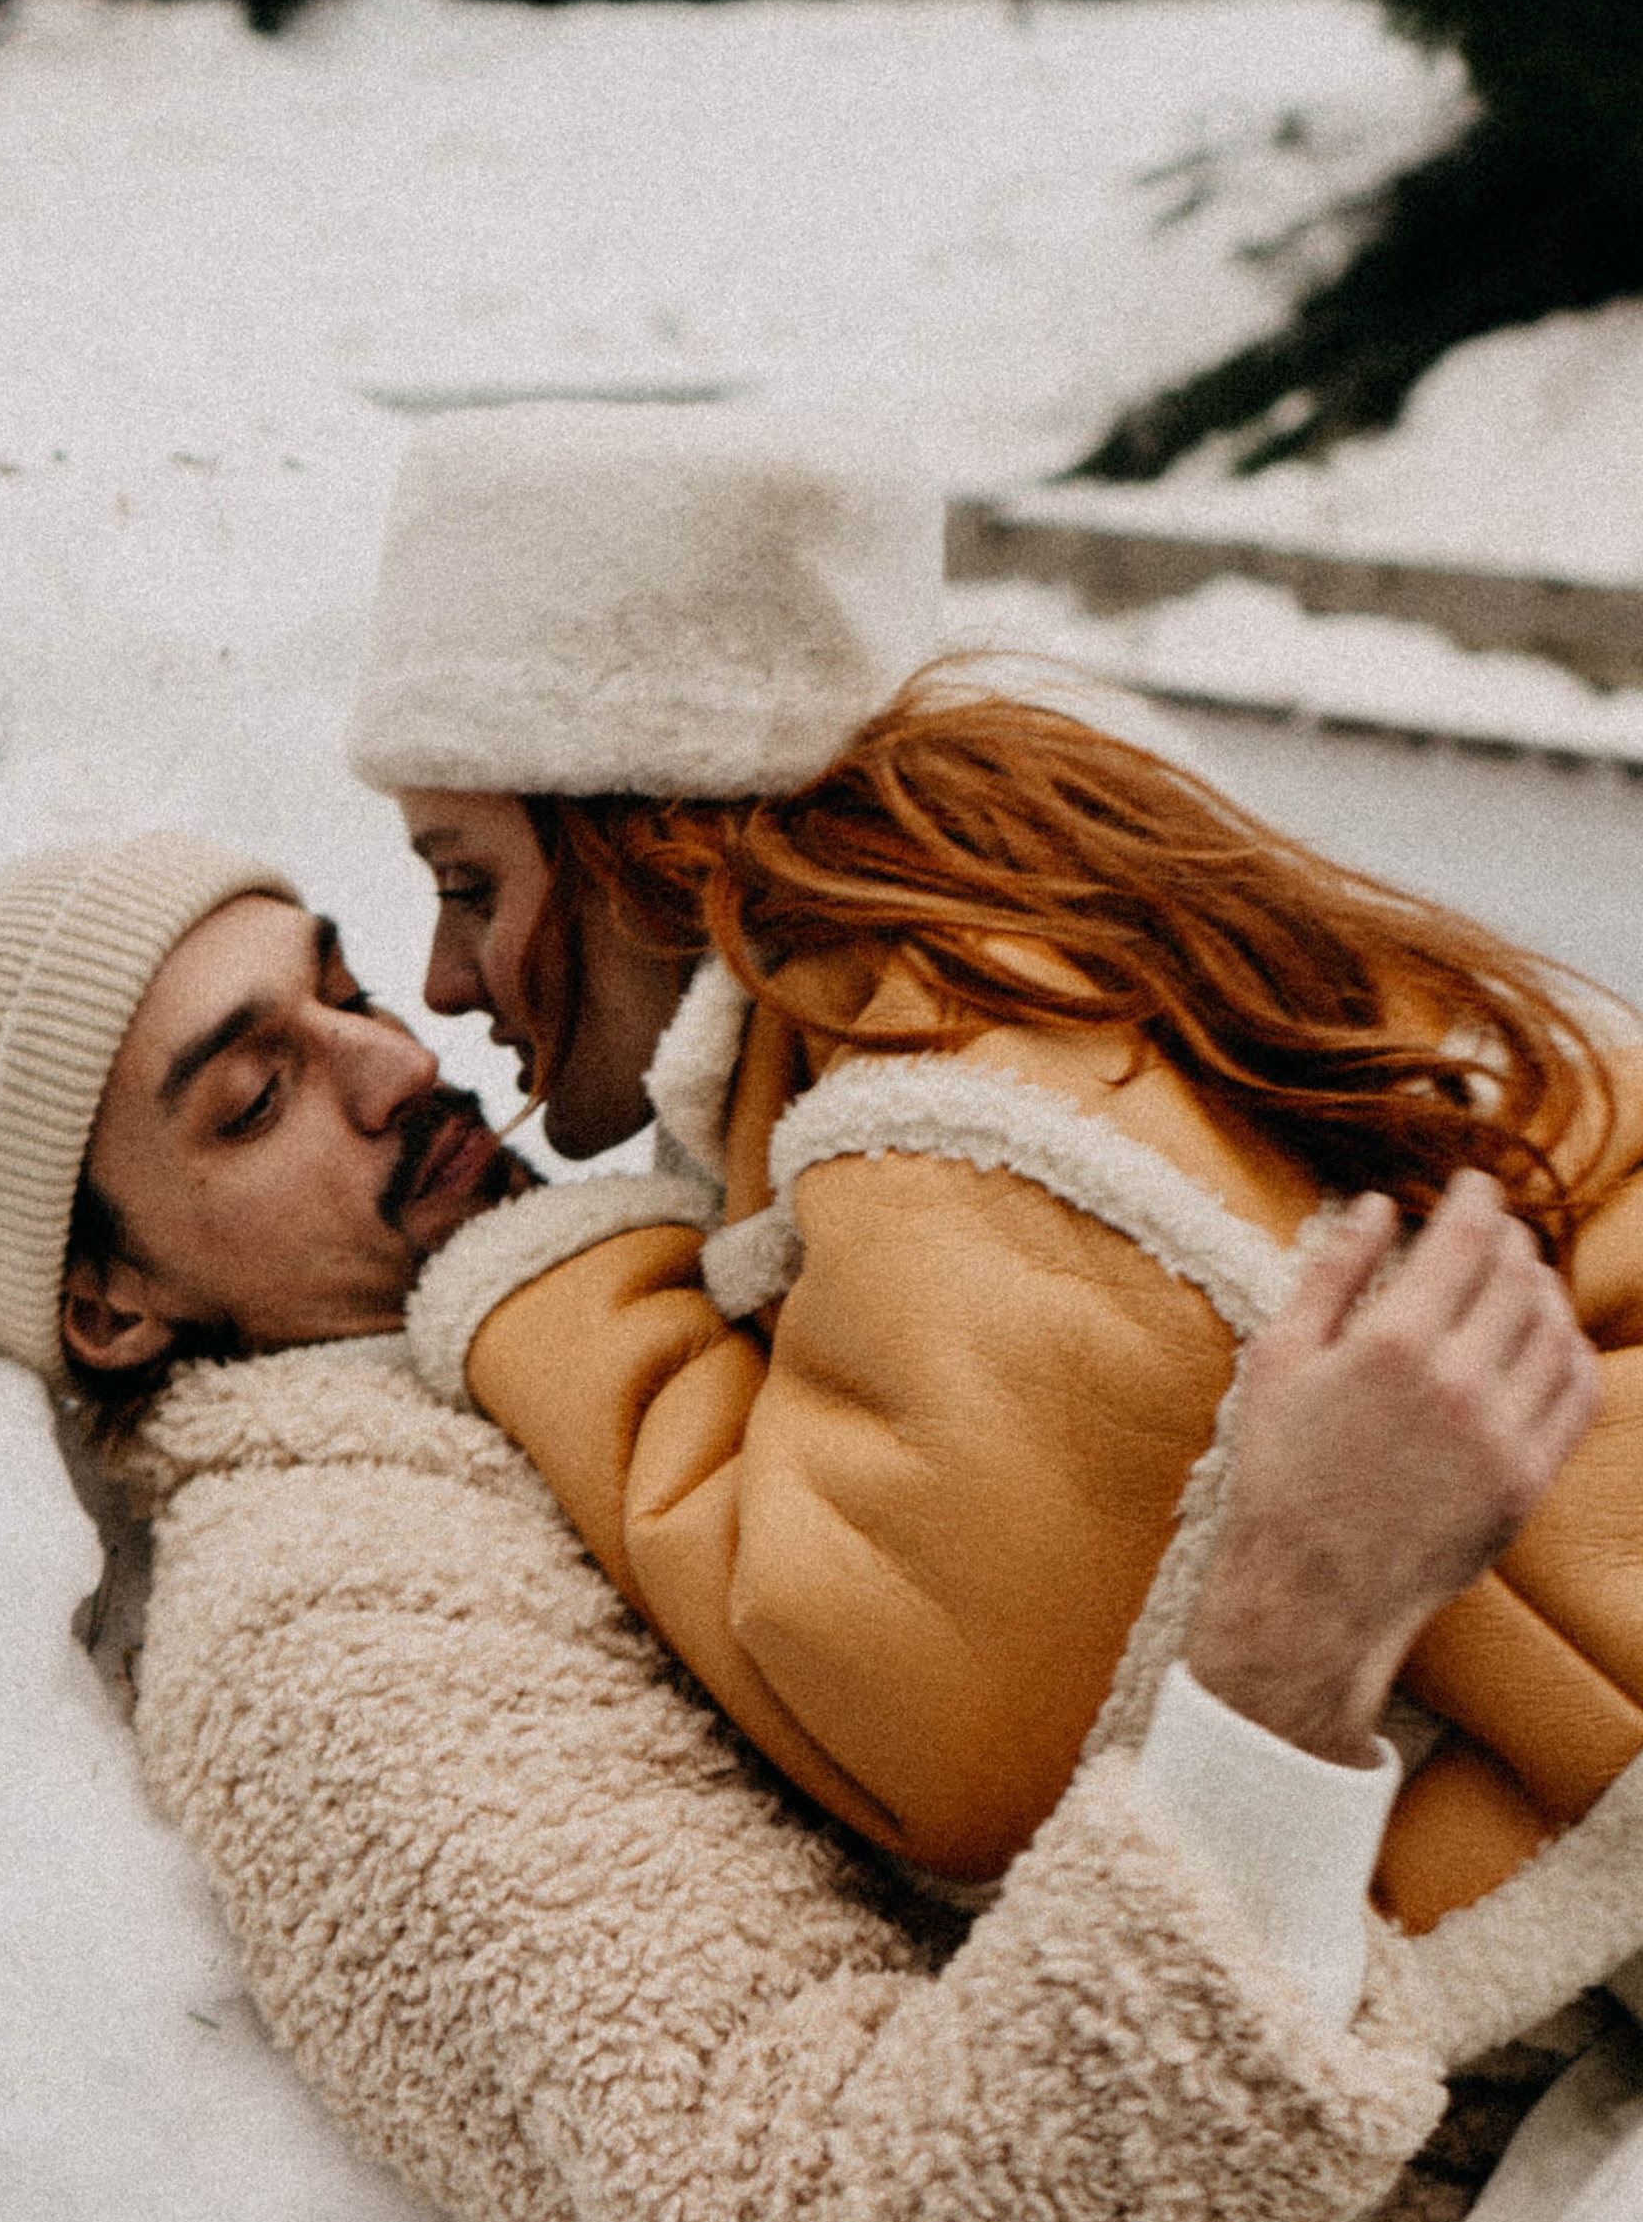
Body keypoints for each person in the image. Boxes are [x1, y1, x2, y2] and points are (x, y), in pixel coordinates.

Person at [0, 830, 1606, 2222]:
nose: (397, 1068)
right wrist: (1296, 1636)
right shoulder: (334, 1626)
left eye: (348, 992)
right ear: (110, 1304)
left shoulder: (589, 1297)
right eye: (252, 1101)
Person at [345, 400, 1643, 2031]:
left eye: (469, 882)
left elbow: (941, 1726)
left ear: (637, 833)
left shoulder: (948, 1098)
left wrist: (544, 1281)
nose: (442, 982)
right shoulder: (988, 961)